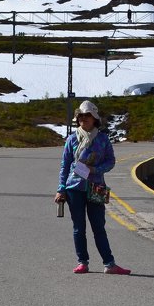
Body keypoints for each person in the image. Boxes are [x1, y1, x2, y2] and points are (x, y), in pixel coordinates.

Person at [54, 100, 131, 275]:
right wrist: (61, 189)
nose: (83, 119)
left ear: (95, 118)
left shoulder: (103, 139)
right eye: (80, 116)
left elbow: (110, 161)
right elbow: (65, 166)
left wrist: (95, 169)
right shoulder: (72, 139)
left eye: (87, 116)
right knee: (78, 227)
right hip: (74, 188)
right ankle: (83, 262)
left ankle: (109, 264)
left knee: (98, 227)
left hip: (96, 186)